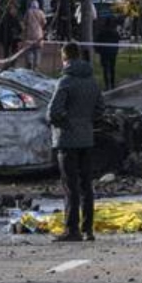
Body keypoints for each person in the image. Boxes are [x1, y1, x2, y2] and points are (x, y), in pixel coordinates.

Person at [48, 41, 105, 242]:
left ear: (65, 59)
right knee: (86, 185)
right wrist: (86, 122)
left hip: (67, 141)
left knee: (70, 187)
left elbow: (53, 112)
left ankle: (72, 230)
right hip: (87, 140)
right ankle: (88, 229)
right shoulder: (92, 81)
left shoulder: (65, 81)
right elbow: (100, 110)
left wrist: (64, 123)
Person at [95, 15, 121, 91]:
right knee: (112, 68)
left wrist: (98, 50)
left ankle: (107, 85)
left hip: (104, 53)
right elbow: (118, 40)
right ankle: (112, 84)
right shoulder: (114, 32)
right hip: (112, 52)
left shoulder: (102, 31)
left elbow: (97, 41)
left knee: (105, 69)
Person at [23, 0, 46, 70]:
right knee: (37, 51)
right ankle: (36, 66)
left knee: (29, 49)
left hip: (29, 34)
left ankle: (30, 62)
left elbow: (25, 22)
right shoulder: (41, 12)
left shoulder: (28, 12)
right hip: (38, 35)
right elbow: (44, 22)